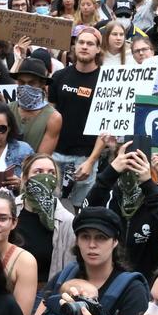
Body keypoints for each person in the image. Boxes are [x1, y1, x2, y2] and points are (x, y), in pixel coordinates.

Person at [85, 143, 158, 277]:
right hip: (106, 276)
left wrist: (148, 185)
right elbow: (84, 214)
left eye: (137, 160)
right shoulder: (107, 192)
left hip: (146, 278)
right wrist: (109, 174)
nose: (131, 166)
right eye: (126, 160)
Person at [49, 27, 104, 206]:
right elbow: (49, 118)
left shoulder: (105, 81)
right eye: (81, 42)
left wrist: (91, 161)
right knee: (51, 208)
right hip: (56, 155)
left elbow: (105, 129)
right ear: (74, 46)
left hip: (85, 158)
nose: (85, 47)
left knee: (80, 210)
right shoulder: (59, 77)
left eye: (90, 43)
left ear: (98, 49)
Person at [15, 154, 76, 285]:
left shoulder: (66, 220)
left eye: (51, 173)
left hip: (43, 294)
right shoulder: (10, 211)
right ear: (25, 178)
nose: (46, 177)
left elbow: (70, 267)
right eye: (38, 172)